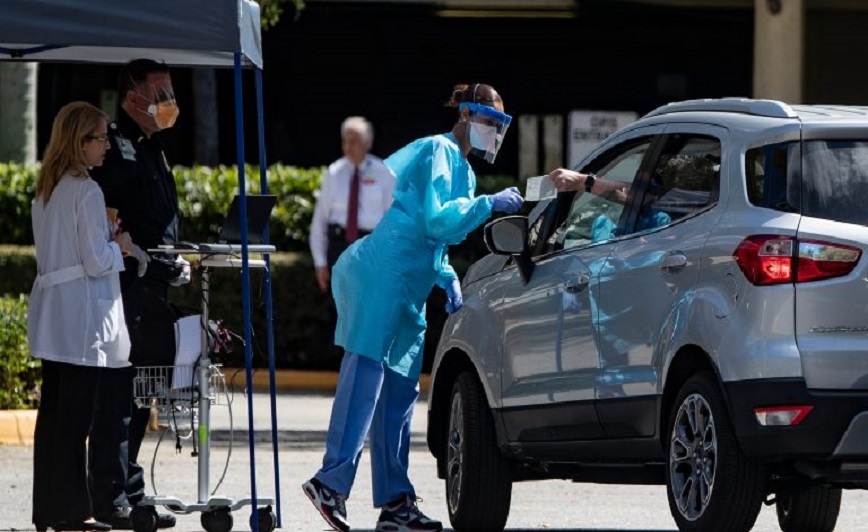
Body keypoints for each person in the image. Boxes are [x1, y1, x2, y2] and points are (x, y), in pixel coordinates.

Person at [302, 83, 524, 532]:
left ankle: (395, 503)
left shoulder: (464, 170)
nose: (494, 131)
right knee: (365, 377)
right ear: (465, 114)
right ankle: (329, 482)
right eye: (488, 120)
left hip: (410, 284)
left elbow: (433, 234)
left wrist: (445, 273)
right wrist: (488, 204)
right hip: (385, 274)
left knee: (400, 395)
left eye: (499, 124)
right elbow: (436, 219)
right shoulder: (440, 149)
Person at [28, 101, 143, 531]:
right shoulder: (87, 190)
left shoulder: (48, 188)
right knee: (75, 420)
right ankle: (71, 512)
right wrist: (120, 246)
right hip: (80, 318)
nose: (107, 146)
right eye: (100, 138)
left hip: (54, 314)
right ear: (80, 142)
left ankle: (48, 509)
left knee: (53, 416)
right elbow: (95, 261)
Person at [88, 58, 187, 530]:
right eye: (160, 94)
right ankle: (111, 497)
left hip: (155, 284)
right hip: (126, 284)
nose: (169, 102)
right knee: (120, 395)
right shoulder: (115, 145)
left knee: (143, 393)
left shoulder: (153, 147)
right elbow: (107, 216)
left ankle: (132, 489)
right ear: (132, 99)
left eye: (170, 92)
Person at [309, 116, 396, 362]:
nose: (348, 146)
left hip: (371, 246)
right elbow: (319, 221)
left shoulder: (383, 172)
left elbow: (392, 219)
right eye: (345, 141)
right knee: (342, 308)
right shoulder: (334, 172)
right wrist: (320, 262)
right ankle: (344, 365)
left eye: (354, 141)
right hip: (340, 246)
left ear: (367, 143)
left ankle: (367, 361)